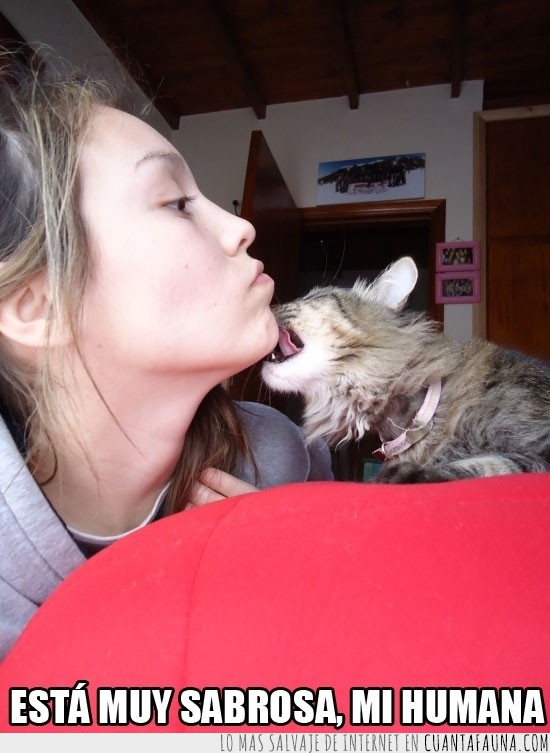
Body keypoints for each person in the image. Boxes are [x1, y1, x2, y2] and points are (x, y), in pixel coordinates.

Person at [0, 44, 332, 659]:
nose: (241, 228)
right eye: (177, 203)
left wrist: (308, 585)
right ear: (41, 305)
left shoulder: (278, 458)